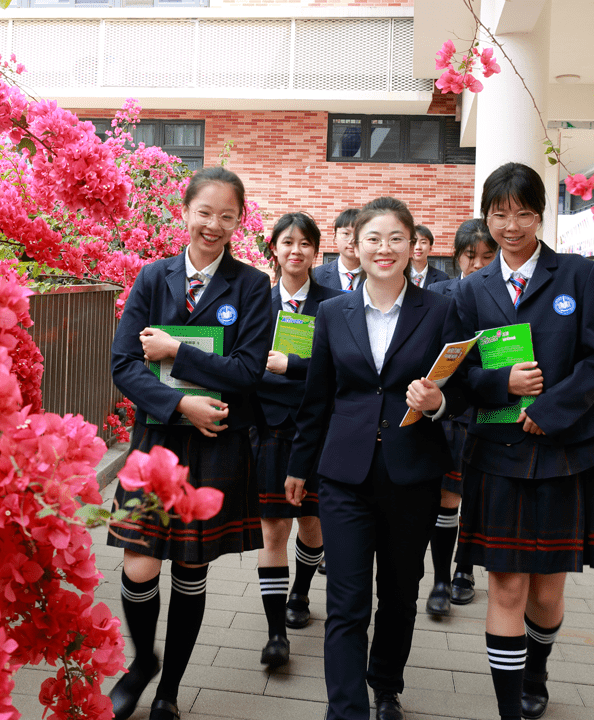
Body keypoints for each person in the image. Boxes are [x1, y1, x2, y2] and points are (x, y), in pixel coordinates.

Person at [452, 162, 594, 720]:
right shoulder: (470, 289)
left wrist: (550, 410)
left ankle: (537, 669)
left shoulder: (576, 274)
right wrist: (503, 384)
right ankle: (509, 708)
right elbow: (457, 374)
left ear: (540, 214)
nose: (511, 226)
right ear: (486, 217)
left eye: (523, 213)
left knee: (546, 591)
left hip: (563, 453)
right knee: (505, 586)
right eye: (499, 214)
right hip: (497, 455)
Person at [285, 197, 465, 720]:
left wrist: (440, 403)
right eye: (373, 239)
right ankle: (346, 708)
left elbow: (465, 384)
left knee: (398, 595)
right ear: (354, 246)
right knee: (346, 600)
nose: (384, 249)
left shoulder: (440, 309)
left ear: (413, 246)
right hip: (344, 474)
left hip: (413, 472)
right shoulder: (333, 311)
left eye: (395, 239)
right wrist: (299, 466)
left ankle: (385, 686)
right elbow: (317, 396)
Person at [106, 166, 273, 720]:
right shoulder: (153, 278)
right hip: (158, 439)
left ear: (238, 221)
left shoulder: (251, 286)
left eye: (227, 216)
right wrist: (181, 403)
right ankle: (142, 663)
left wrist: (177, 351)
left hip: (215, 444)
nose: (214, 225)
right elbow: (124, 363)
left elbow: (248, 371)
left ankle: (170, 690)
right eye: (205, 212)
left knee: (191, 568)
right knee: (138, 561)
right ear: (185, 213)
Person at [253, 212, 338, 669]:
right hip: (270, 428)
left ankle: (301, 592)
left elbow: (342, 367)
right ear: (275, 249)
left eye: (305, 243)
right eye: (287, 243)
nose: (296, 251)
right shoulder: (257, 304)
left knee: (312, 524)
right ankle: (275, 634)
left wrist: (293, 366)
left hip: (320, 428)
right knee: (273, 528)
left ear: (315, 251)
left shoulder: (335, 303)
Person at [422, 219, 498, 618]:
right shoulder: (438, 293)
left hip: (489, 411)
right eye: (471, 256)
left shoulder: (503, 297)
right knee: (447, 498)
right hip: (448, 412)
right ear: (456, 257)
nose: (479, 264)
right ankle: (440, 579)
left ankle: (465, 569)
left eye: (488, 256)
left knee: (475, 497)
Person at [313, 208, 365, 292]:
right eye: (346, 234)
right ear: (335, 237)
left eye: (358, 234)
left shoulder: (376, 276)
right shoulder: (315, 276)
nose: (352, 240)